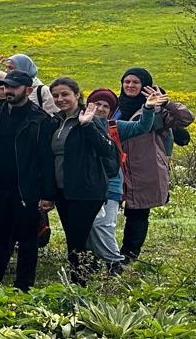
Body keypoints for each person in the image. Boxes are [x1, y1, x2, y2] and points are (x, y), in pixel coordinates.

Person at [0, 70, 58, 291]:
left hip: (25, 188)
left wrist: (48, 194)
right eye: (5, 86)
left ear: (28, 90)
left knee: (27, 239)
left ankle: (24, 284)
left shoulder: (40, 120)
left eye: (13, 87)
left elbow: (46, 159)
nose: (7, 91)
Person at [112, 67, 194, 261]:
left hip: (145, 166)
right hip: (115, 166)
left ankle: (130, 255)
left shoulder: (158, 109)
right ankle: (107, 252)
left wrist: (166, 103)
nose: (130, 86)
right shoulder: (115, 106)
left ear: (146, 86)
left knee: (138, 213)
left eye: (135, 82)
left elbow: (186, 118)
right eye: (127, 82)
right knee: (106, 212)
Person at [45, 78, 120, 277]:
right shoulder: (56, 121)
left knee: (76, 240)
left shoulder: (91, 118)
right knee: (73, 237)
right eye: (56, 95)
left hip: (86, 190)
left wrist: (87, 126)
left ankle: (79, 282)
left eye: (65, 94)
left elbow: (106, 149)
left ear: (77, 95)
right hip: (64, 190)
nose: (60, 99)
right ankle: (86, 272)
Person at [85, 88, 131, 271]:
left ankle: (115, 262)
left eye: (106, 106)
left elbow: (142, 126)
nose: (101, 109)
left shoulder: (114, 127)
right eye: (98, 104)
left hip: (111, 183)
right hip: (89, 183)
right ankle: (91, 262)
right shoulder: (79, 124)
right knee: (89, 224)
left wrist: (151, 109)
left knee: (103, 224)